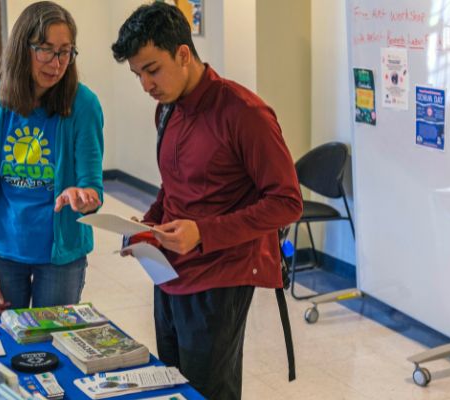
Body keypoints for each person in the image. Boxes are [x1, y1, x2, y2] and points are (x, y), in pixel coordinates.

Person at [111, 3, 303, 399]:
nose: (145, 85)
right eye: (137, 74)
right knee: (172, 388)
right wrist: (146, 226)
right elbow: (175, 185)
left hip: (221, 276)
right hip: (168, 274)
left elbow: (287, 202)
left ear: (184, 53)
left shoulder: (244, 112)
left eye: (152, 69)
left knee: (209, 391)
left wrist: (203, 233)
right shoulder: (166, 110)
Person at [0, 1, 103, 311]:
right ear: (22, 49)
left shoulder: (84, 105)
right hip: (3, 252)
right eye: (46, 50)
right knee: (8, 346)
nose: (56, 63)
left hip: (61, 258)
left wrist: (84, 196)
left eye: (65, 51)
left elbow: (93, 187)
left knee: (52, 348)